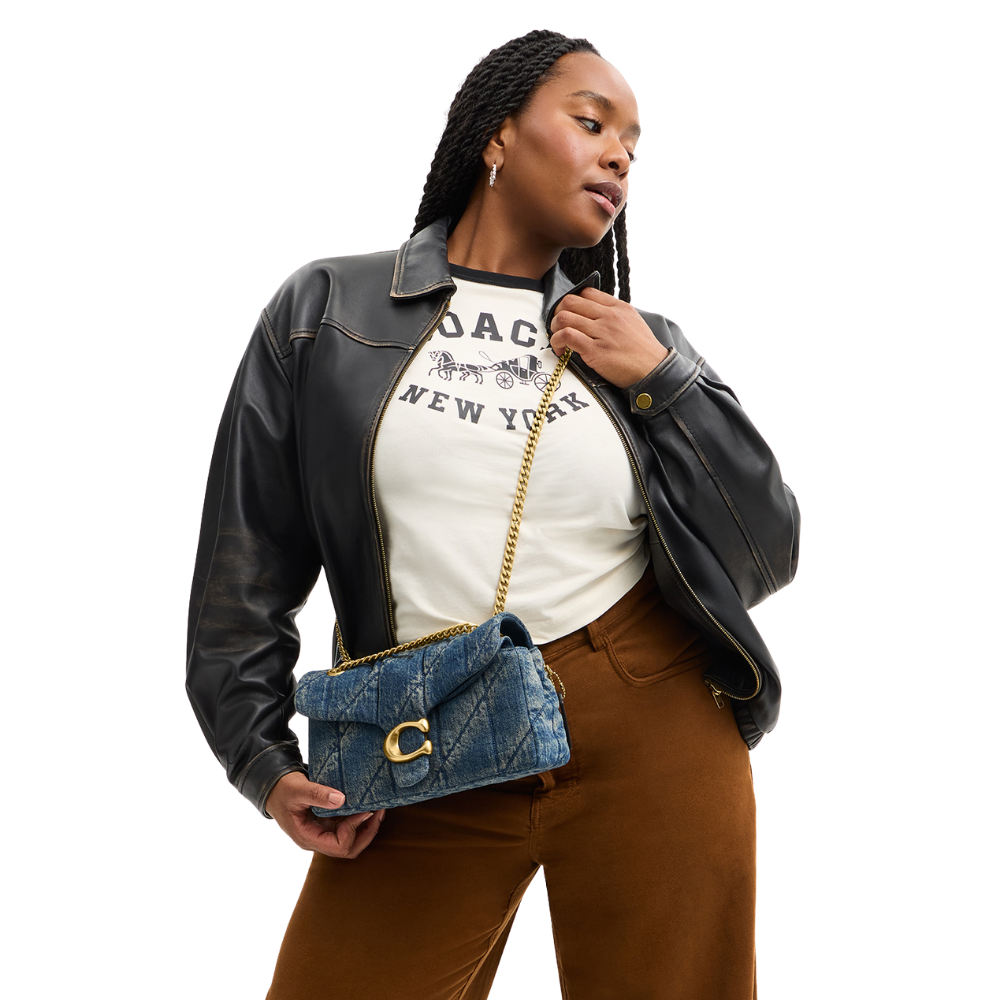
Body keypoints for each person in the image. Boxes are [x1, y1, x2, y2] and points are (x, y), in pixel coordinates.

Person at [186, 28, 799, 1000]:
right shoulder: (329, 309)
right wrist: (259, 756)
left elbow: (767, 548)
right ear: (497, 135)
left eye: (632, 146)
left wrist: (665, 378)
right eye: (591, 123)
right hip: (423, 731)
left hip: (647, 713)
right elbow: (244, 560)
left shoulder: (634, 343)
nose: (618, 157)